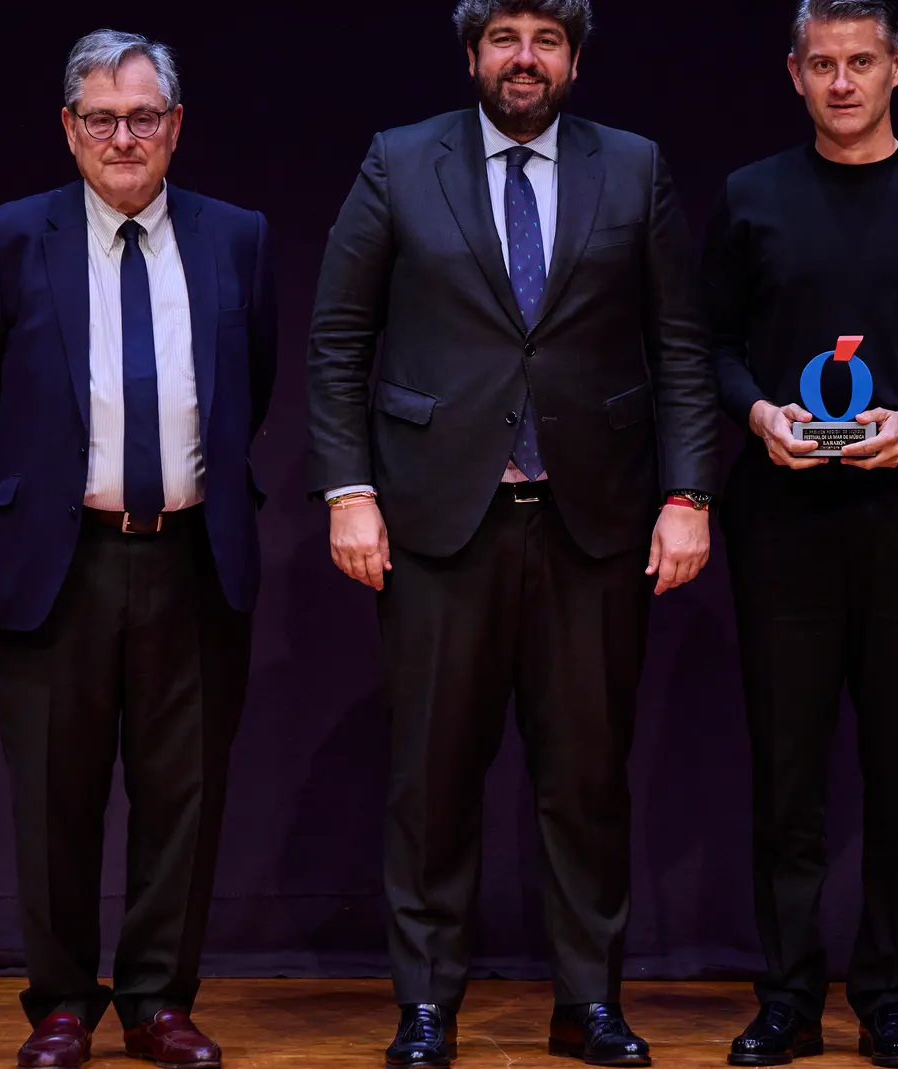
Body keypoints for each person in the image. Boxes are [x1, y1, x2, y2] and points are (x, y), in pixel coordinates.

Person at [303, 1, 719, 1065]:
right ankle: (426, 1002)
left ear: (574, 59)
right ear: (472, 54)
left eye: (544, 39)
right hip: (440, 521)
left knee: (585, 777)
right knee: (431, 776)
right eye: (503, 38)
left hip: (595, 524)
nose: (522, 58)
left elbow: (680, 345)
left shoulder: (634, 166)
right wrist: (347, 489)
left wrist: (689, 497)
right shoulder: (400, 163)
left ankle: (587, 1000)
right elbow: (339, 337)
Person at [0, 28, 276, 1069]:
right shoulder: (1, 240)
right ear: (68, 129)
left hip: (191, 555)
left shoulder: (238, 238)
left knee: (183, 794)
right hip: (58, 557)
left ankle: (158, 1002)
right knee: (56, 792)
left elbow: (248, 388)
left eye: (142, 117)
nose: (121, 136)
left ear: (175, 128)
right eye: (101, 117)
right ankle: (58, 1003)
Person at [702, 3, 898, 1065]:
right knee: (785, 772)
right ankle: (787, 997)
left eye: (861, 63)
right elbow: (712, 347)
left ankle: (889, 995)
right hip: (781, 521)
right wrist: (757, 416)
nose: (842, 82)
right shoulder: (750, 197)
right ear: (793, 74)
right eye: (822, 65)